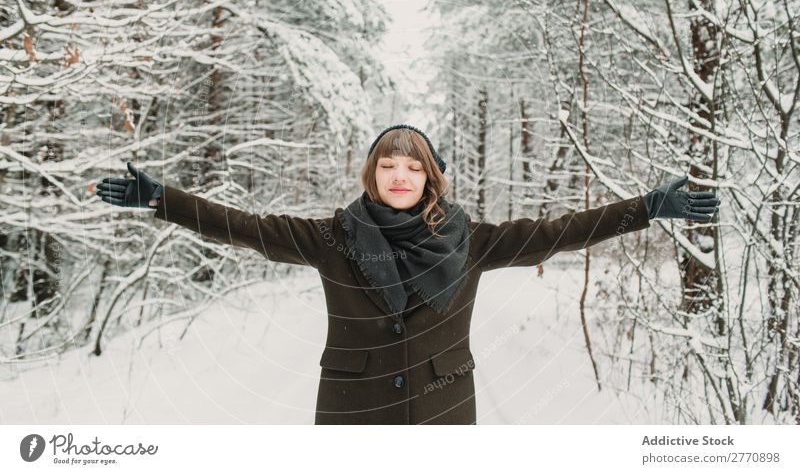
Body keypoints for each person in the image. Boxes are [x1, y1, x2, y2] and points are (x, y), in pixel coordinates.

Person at [96, 124, 721, 424]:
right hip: (353, 413)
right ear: (372, 175)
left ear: (430, 179)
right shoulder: (331, 237)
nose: (400, 175)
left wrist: (646, 208)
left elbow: (558, 233)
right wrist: (163, 200)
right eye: (388, 165)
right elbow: (246, 226)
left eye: (413, 167)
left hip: (443, 411)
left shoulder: (473, 242)